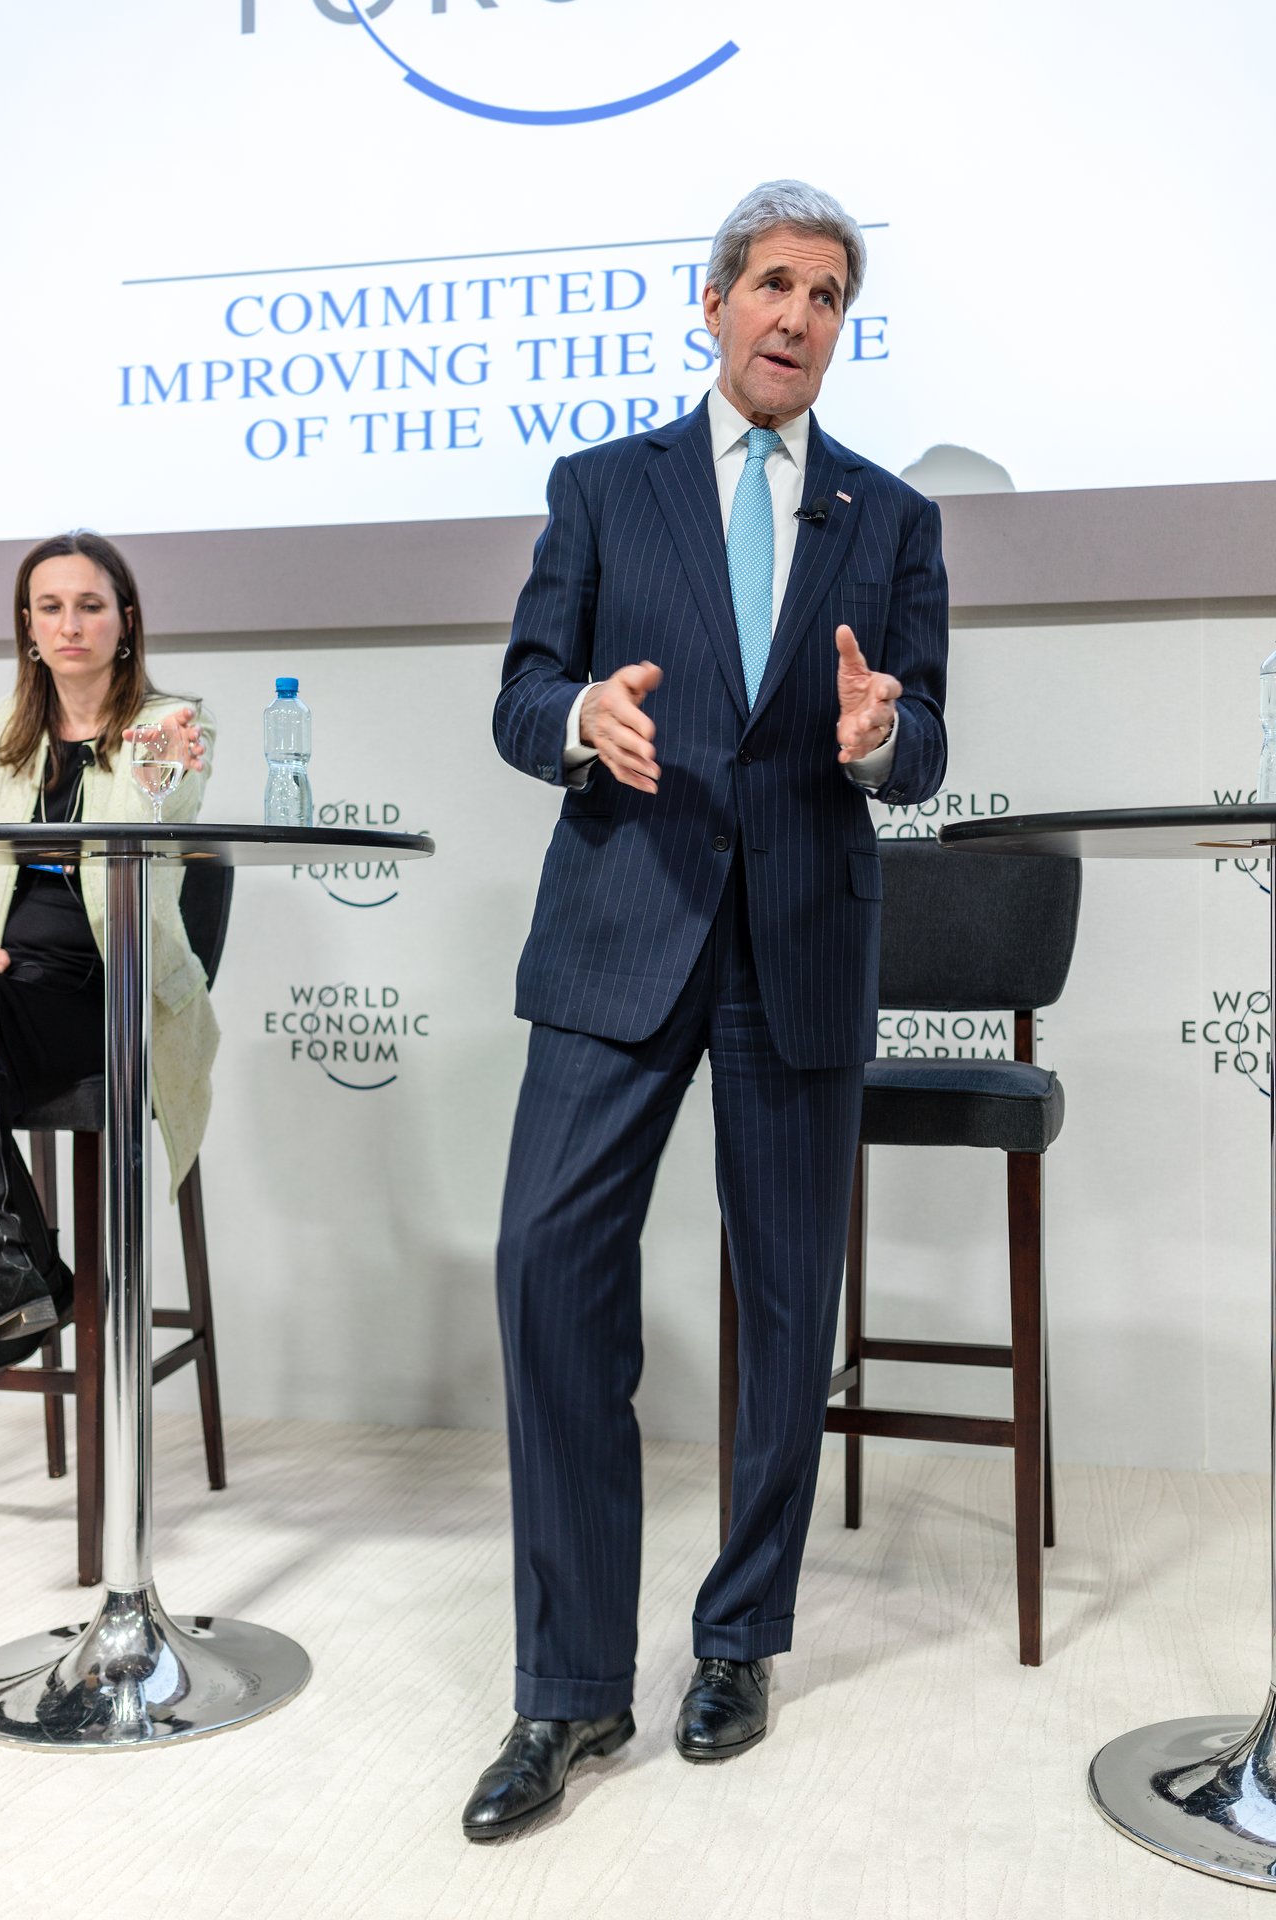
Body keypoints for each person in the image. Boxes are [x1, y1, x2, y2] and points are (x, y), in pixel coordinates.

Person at [464, 180, 949, 1841]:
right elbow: (525, 688)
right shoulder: (604, 489)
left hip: (799, 944)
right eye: (773, 285)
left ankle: (737, 1639)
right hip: (623, 930)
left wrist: (883, 738)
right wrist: (580, 712)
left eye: (828, 294)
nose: (799, 316)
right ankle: (569, 1686)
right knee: (545, 1270)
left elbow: (923, 738)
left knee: (781, 1306)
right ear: (714, 300)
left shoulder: (890, 521)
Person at [0, 532, 217, 1368]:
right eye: (50, 607)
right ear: (28, 625)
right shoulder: (2, 739)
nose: (70, 624)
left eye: (90, 605)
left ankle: (28, 1284)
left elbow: (166, 809)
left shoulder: (165, 728)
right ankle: (29, 1280)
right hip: (14, 992)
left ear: (125, 622)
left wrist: (174, 766)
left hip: (112, 997)